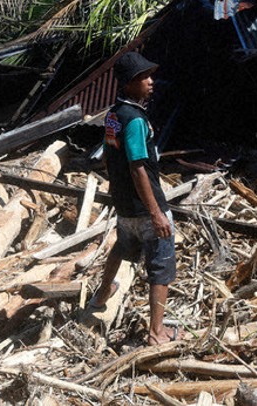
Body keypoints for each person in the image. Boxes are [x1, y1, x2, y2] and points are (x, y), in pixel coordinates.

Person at [88, 51, 178, 345]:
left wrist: (120, 193)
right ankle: (156, 332)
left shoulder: (114, 115)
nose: (151, 82)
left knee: (122, 248)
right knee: (160, 266)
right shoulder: (136, 121)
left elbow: (109, 158)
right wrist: (156, 212)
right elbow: (137, 166)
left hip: (125, 207)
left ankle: (101, 294)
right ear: (128, 84)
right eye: (143, 77)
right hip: (145, 208)